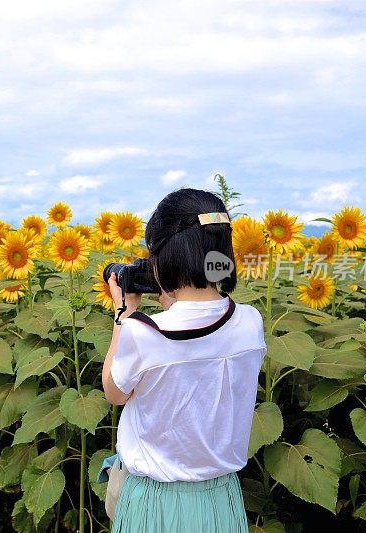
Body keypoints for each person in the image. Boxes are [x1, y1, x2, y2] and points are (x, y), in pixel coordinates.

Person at [99, 188, 267, 532]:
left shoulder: (144, 333)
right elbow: (203, 338)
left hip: (155, 504)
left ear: (162, 258)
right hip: (223, 500)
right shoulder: (250, 322)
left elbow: (114, 393)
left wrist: (123, 314)